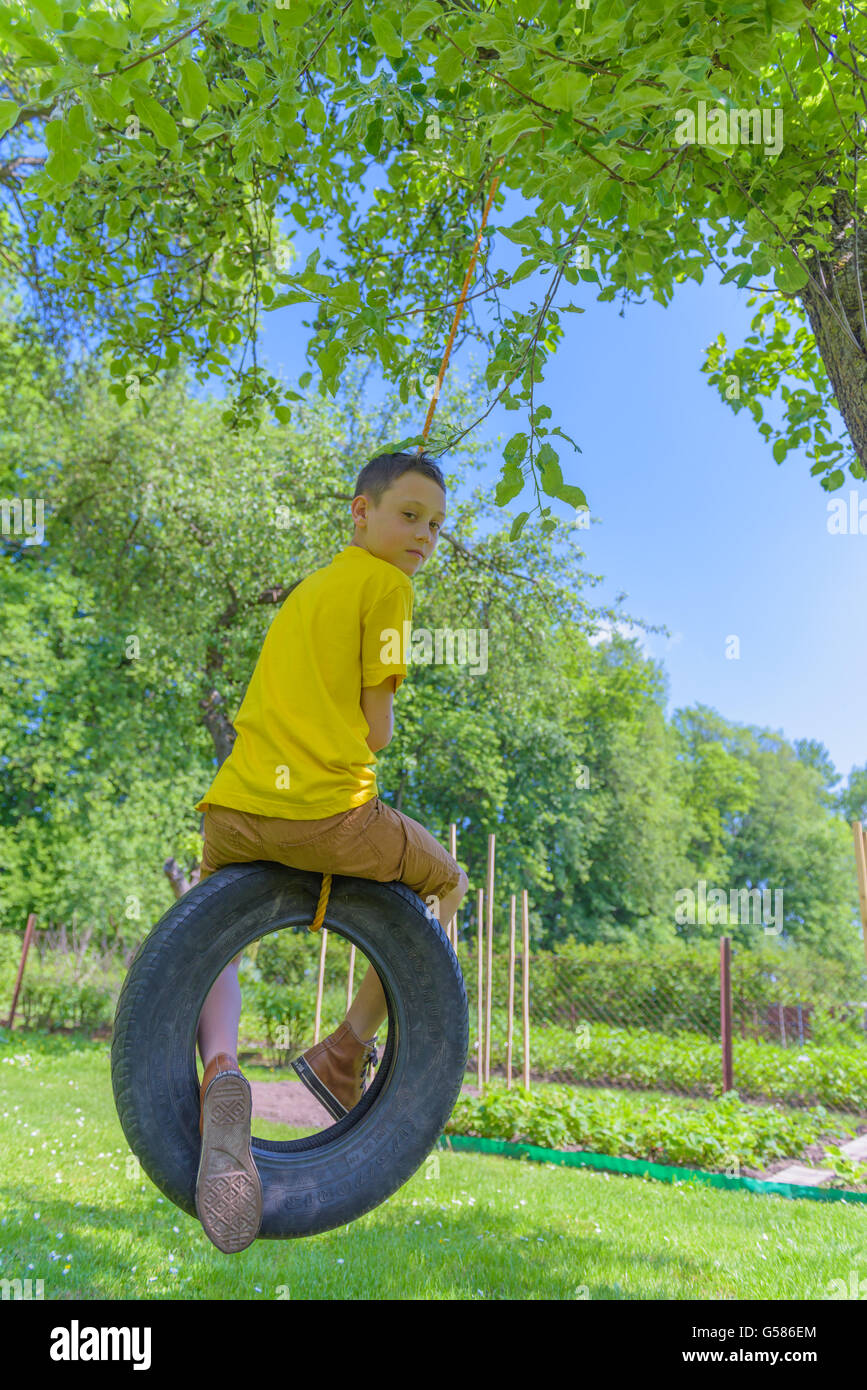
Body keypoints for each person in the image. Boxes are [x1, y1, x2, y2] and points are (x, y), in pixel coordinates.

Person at [192, 450, 470, 1252]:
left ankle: (221, 1068)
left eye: (434, 526)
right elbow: (375, 728)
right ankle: (345, 1048)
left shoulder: (311, 588)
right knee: (446, 885)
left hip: (236, 809)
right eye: (408, 516)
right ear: (361, 512)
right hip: (329, 814)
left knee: (213, 941)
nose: (422, 537)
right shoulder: (390, 588)